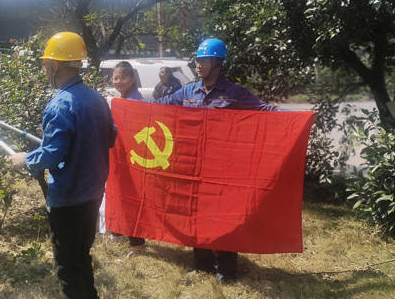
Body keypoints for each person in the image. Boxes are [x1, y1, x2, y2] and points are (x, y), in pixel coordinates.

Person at [153, 37, 283, 283]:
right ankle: (202, 264)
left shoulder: (234, 93)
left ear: (218, 63)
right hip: (194, 166)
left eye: (204, 60)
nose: (198, 65)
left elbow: (264, 110)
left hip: (223, 169)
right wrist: (123, 105)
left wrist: (299, 117)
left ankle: (226, 269)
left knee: (224, 217)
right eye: (197, 60)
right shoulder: (188, 91)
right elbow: (159, 106)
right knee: (196, 214)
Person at [10, 31, 116, 299]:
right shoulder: (97, 99)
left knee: (68, 268)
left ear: (54, 65)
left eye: (46, 64)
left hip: (68, 200)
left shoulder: (60, 104)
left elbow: (52, 155)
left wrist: (24, 159)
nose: (45, 70)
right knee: (81, 256)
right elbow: (110, 137)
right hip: (93, 195)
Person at [110, 60, 146, 249]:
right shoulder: (119, 101)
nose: (119, 81)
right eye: (116, 78)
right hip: (119, 157)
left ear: (132, 79)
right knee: (119, 193)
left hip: (133, 159)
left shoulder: (136, 102)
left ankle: (136, 240)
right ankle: (118, 230)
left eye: (123, 77)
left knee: (132, 198)